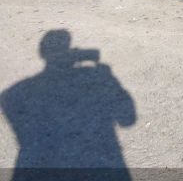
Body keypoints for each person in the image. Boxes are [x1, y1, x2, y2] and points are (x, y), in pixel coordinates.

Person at [0, 30, 136, 180]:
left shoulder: (14, 93)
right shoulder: (96, 78)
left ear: (42, 53)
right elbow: (127, 119)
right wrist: (107, 78)